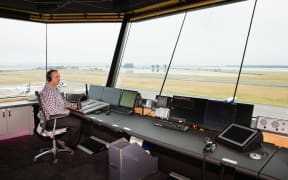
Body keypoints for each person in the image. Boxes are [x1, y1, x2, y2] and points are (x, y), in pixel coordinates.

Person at [40, 69, 81, 152]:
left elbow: (62, 102)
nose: (59, 78)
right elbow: (52, 112)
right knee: (77, 123)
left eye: (59, 76)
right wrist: (66, 112)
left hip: (54, 117)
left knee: (73, 119)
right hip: (51, 120)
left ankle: (62, 140)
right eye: (56, 77)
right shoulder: (48, 92)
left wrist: (72, 106)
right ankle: (70, 145)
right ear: (49, 79)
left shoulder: (54, 88)